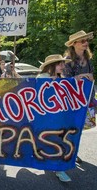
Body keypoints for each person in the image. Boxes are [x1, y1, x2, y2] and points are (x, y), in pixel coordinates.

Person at [37, 54, 72, 182]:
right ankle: (53, 165)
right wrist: (47, 84)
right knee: (47, 141)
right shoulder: (42, 77)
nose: (63, 66)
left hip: (58, 117)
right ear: (52, 66)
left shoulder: (62, 78)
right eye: (60, 64)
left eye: (63, 63)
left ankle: (59, 169)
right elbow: (35, 93)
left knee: (58, 141)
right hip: (45, 117)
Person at [63, 30, 95, 163]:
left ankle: (73, 151)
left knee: (80, 127)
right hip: (71, 100)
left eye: (86, 40)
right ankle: (67, 151)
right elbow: (64, 81)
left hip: (85, 98)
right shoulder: (67, 61)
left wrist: (90, 78)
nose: (86, 43)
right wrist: (78, 77)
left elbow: (91, 76)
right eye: (82, 41)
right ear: (74, 44)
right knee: (69, 127)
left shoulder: (87, 59)